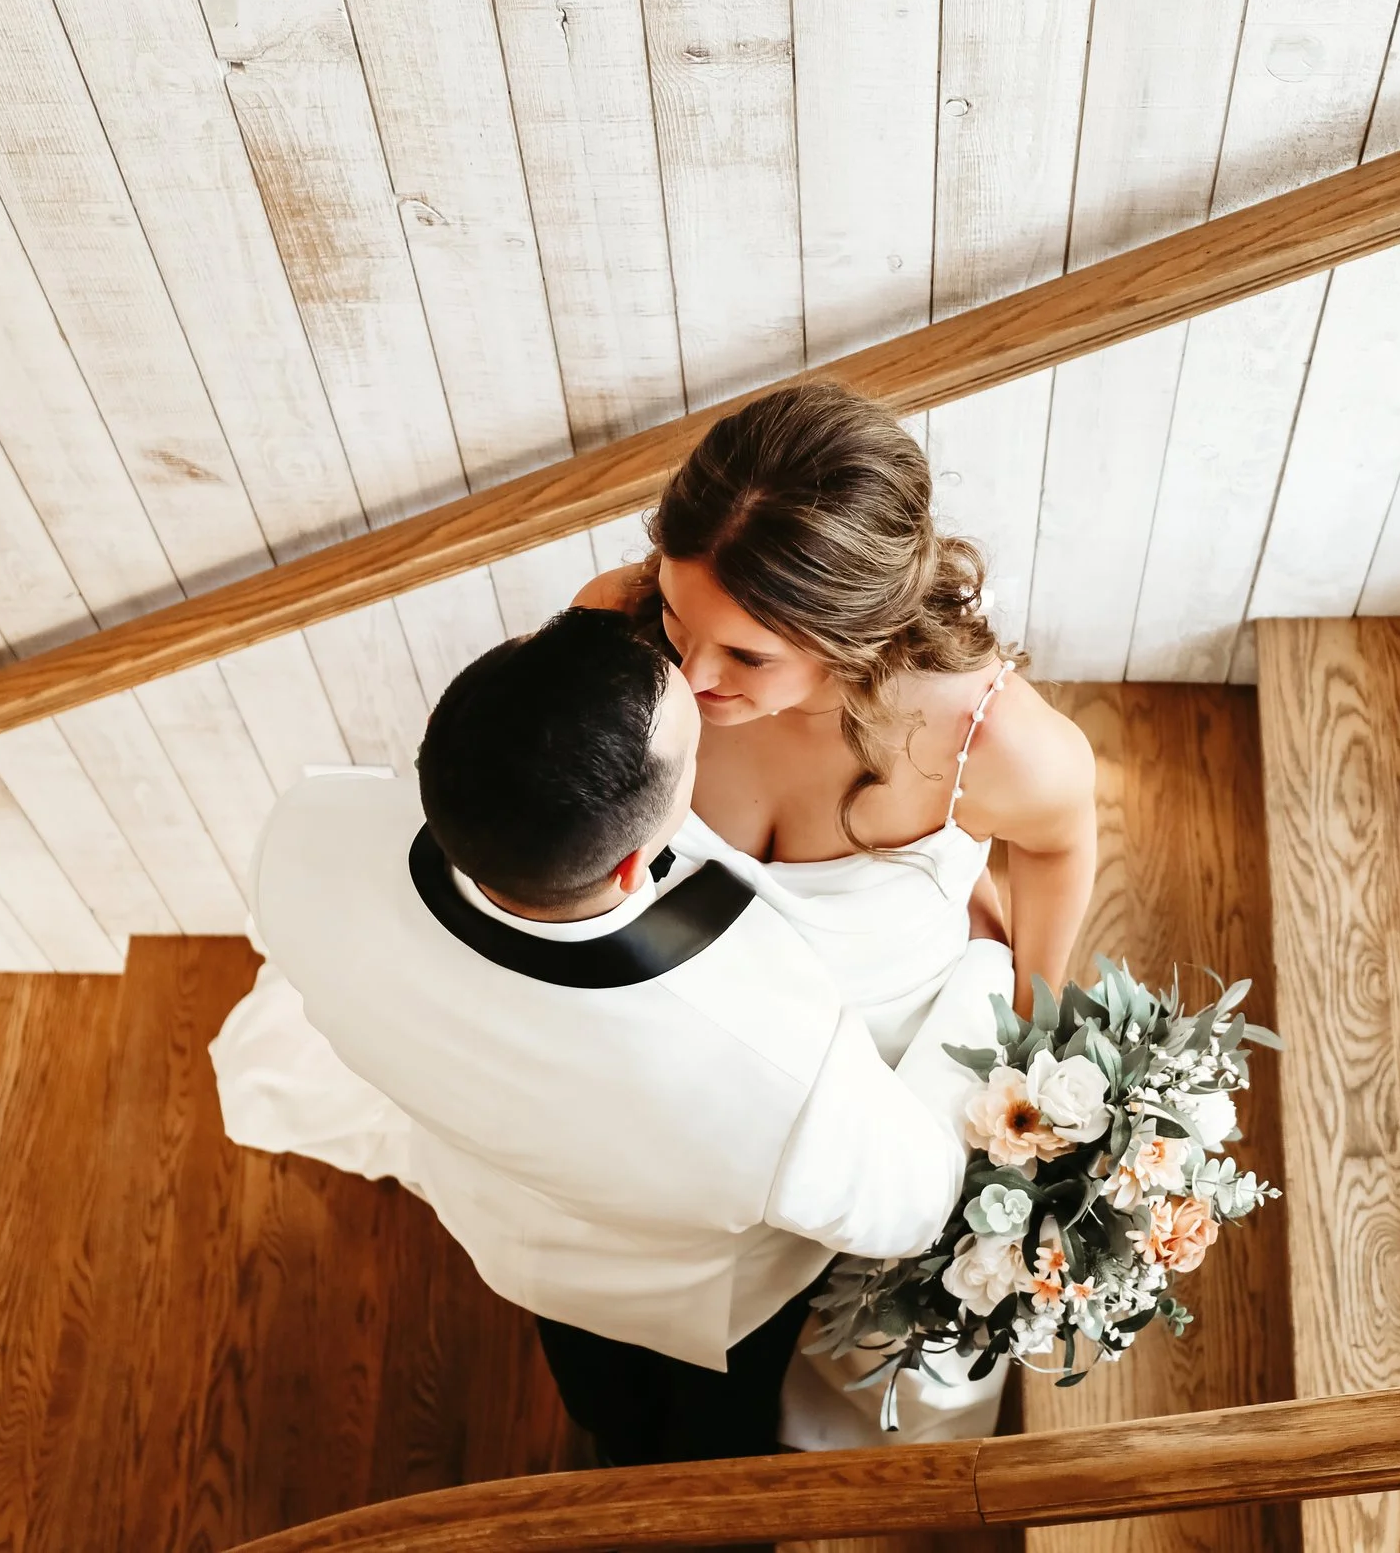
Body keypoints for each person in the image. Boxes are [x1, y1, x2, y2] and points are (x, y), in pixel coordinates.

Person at [210, 608, 1004, 1465]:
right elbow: (915, 1204)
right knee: (715, 1438)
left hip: (513, 1239)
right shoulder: (776, 1061)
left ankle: (612, 1447)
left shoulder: (304, 835)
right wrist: (985, 964)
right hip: (701, 1303)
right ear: (633, 865)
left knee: (600, 1403)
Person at [575, 381, 1100, 1444]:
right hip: (665, 1056)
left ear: (855, 633)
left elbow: (1055, 842)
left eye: (747, 655)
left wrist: (1035, 1026)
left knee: (781, 1315)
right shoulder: (614, 622)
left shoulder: (989, 744)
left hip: (853, 1083)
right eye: (679, 622)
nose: (689, 672)